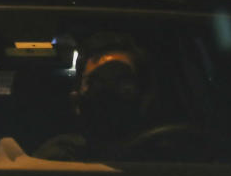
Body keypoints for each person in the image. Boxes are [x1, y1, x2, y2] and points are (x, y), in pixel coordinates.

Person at [33, 33, 150, 162]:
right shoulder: (56, 158)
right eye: (96, 84)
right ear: (76, 99)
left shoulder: (164, 151)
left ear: (144, 97)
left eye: (123, 85)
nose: (108, 96)